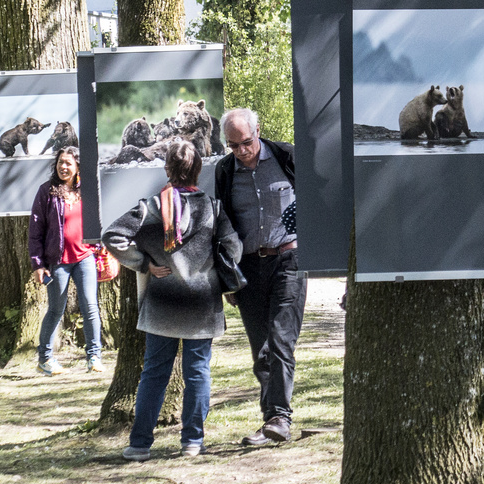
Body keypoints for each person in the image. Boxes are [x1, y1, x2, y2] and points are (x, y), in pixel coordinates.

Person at [103, 139, 243, 461]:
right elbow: (233, 248)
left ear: (167, 169)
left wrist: (143, 262)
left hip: (162, 303)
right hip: (202, 304)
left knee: (153, 373)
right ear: (198, 170)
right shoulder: (212, 207)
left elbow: (113, 236)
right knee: (197, 372)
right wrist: (213, 270)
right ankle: (192, 441)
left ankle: (140, 444)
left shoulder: (151, 207)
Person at [214, 107, 305, 447]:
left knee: (281, 339)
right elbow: (221, 227)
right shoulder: (225, 171)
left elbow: (317, 200)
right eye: (233, 145)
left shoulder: (287, 157)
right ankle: (272, 421)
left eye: (246, 143)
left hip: (289, 260)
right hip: (248, 268)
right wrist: (226, 278)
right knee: (262, 350)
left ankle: (280, 416)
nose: (241, 151)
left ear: (258, 132)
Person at [27, 146, 104, 375]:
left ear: (78, 166)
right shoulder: (46, 192)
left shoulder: (88, 190)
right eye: (61, 162)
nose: (64, 167)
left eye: (68, 163)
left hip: (85, 257)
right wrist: (37, 264)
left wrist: (99, 245)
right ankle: (45, 359)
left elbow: (100, 219)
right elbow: (35, 231)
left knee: (90, 306)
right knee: (56, 310)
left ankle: (94, 357)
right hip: (58, 261)